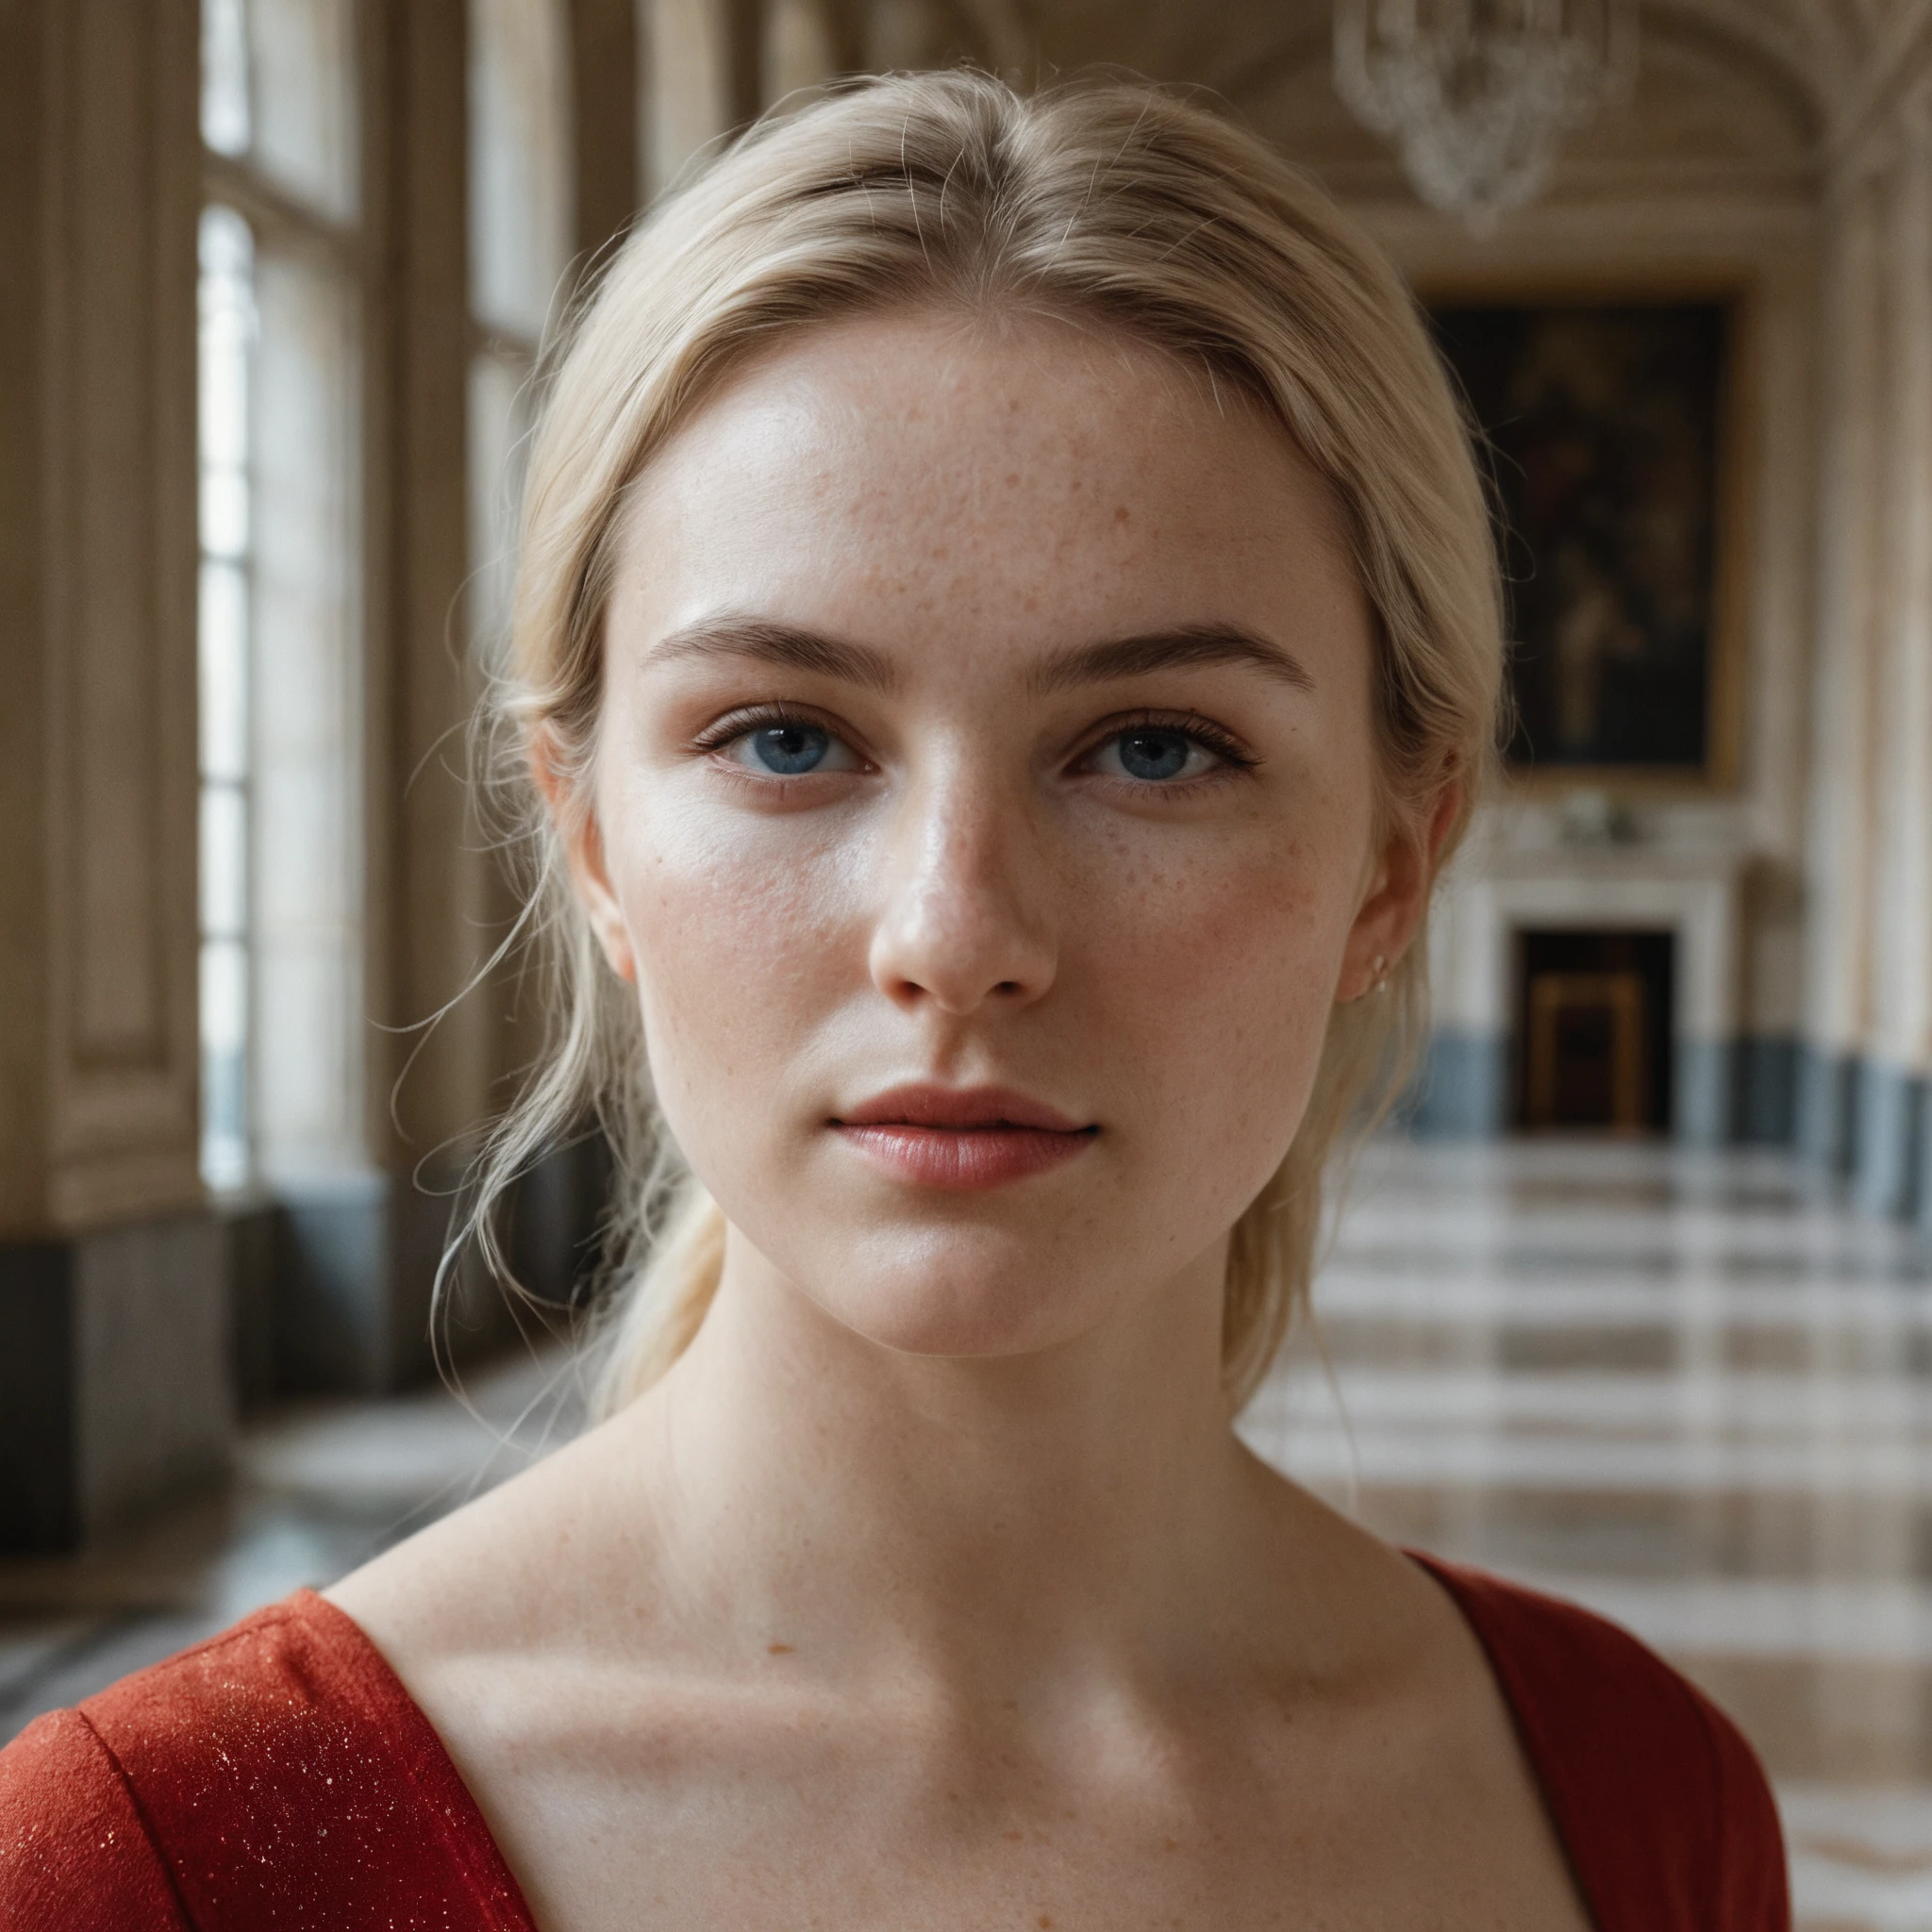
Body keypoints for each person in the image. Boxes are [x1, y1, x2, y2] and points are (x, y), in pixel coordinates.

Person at [0, 70, 1785, 1931]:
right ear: (593, 841)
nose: (956, 932)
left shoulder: (1638, 1809)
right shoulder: (146, 1865)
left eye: (1154, 748)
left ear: (1393, 867)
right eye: (786, 738)